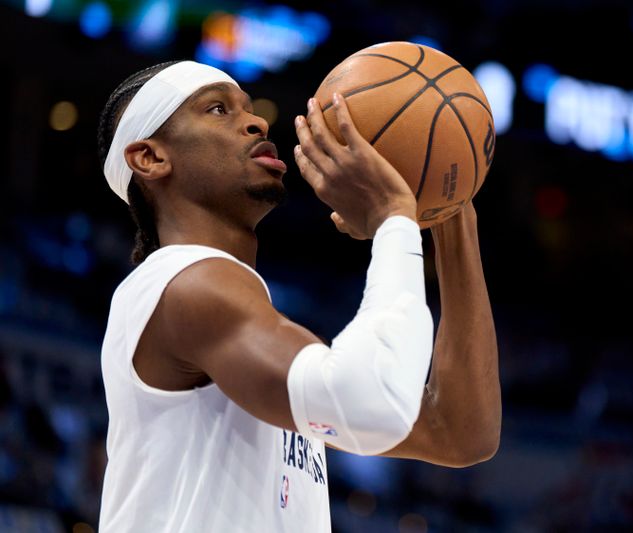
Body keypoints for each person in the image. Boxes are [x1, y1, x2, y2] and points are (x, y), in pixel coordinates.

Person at [95, 59, 500, 532]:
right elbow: (370, 401)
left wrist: (450, 214)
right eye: (219, 109)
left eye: (250, 108)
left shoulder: (239, 321)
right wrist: (393, 218)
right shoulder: (185, 283)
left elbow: (460, 432)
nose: (257, 121)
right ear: (151, 158)